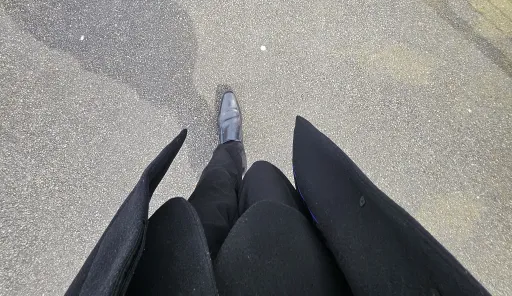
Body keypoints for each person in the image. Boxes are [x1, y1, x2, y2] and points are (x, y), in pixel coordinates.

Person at [67, 92, 490, 296]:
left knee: (212, 196)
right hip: (295, 270)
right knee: (264, 179)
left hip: (174, 280)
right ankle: (235, 153)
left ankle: (230, 150)